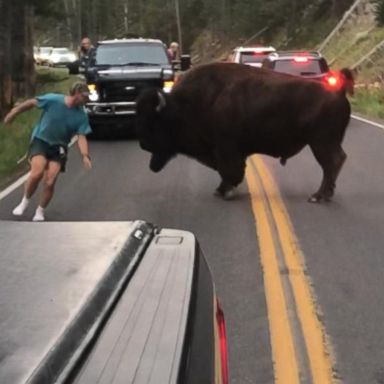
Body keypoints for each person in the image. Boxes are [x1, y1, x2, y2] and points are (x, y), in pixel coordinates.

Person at [3, 82, 93, 222]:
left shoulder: (81, 115)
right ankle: (25, 201)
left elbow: (81, 136)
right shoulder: (54, 100)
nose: (87, 100)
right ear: (76, 94)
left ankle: (40, 211)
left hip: (59, 146)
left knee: (50, 181)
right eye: (85, 96)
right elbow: (32, 102)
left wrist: (85, 155)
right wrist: (14, 112)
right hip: (41, 140)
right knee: (37, 173)